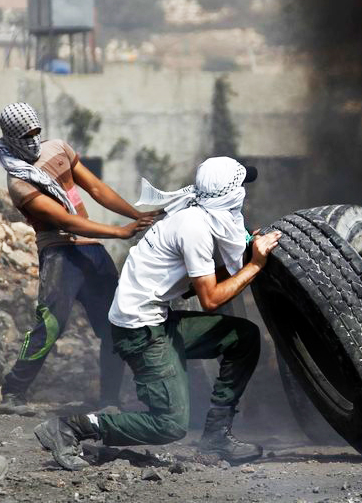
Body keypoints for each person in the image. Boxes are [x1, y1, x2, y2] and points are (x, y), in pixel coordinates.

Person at [34, 156, 281, 471]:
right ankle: (73, 427)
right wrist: (256, 264)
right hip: (141, 331)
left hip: (156, 320)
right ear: (230, 196)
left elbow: (198, 282)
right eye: (241, 188)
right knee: (171, 424)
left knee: (243, 337)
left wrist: (247, 251)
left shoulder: (198, 216)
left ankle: (217, 435)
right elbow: (210, 298)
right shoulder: (195, 228)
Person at [0, 102, 158, 415]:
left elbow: (96, 187)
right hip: (59, 254)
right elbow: (65, 222)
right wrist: (120, 232)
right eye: (26, 135)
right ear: (12, 137)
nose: (33, 139)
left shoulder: (58, 149)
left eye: (36, 132)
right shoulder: (18, 181)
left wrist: (135, 215)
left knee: (115, 324)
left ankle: (109, 399)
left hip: (91, 249)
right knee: (51, 325)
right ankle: (14, 391)